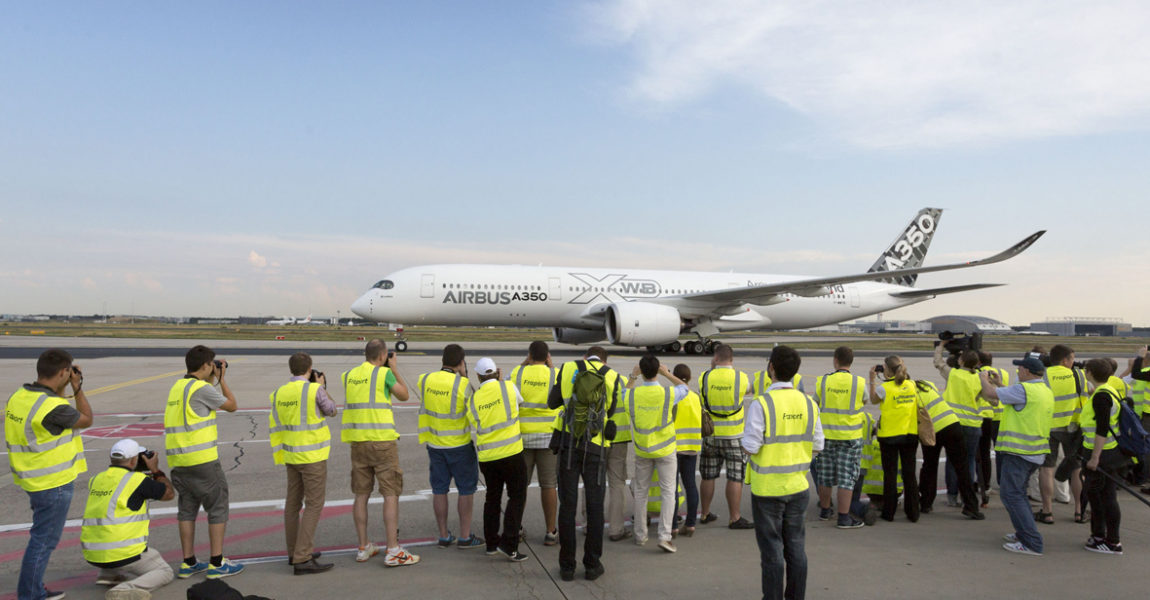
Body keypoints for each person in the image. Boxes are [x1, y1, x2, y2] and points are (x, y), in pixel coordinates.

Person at [6, 348, 92, 600]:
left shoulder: (20, 396)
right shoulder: (52, 407)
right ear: (64, 372)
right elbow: (86, 419)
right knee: (43, 541)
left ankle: (33, 587)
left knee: (40, 537)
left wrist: (64, 385)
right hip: (53, 482)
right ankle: (30, 594)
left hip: (32, 477)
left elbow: (55, 415)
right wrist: (77, 388)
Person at [743, 345, 821, 600]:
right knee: (796, 549)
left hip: (767, 489)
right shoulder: (808, 403)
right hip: (798, 486)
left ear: (771, 368)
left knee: (772, 551)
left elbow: (751, 446)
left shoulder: (762, 404)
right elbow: (818, 444)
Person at [164, 345, 243, 579]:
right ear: (207, 365)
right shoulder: (202, 389)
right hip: (202, 460)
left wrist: (212, 378)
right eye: (212, 364)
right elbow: (232, 405)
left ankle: (188, 562)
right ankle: (217, 563)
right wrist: (222, 379)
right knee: (217, 507)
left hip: (179, 460)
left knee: (187, 509)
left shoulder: (178, 387)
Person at [547, 346, 624, 581]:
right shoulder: (612, 376)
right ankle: (592, 564)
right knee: (595, 506)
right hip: (596, 447)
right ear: (604, 360)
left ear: (585, 357)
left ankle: (567, 566)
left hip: (569, 445)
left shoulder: (568, 368)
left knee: (568, 506)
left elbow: (552, 402)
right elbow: (611, 410)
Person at [341, 339, 419, 566]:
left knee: (361, 494)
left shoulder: (349, 375)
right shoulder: (384, 374)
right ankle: (393, 549)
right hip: (382, 442)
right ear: (383, 355)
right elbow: (404, 395)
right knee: (390, 493)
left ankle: (363, 547)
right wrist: (393, 369)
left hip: (358, 442)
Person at [977, 353, 1053, 556]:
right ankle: (1023, 533)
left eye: (1020, 368)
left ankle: (1032, 542)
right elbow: (1011, 396)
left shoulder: (1024, 389)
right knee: (1017, 494)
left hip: (1020, 452)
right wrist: (999, 383)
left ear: (1027, 371)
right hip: (1034, 452)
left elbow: (990, 394)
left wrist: (983, 379)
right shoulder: (1043, 390)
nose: (1018, 371)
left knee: (1011, 495)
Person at [81, 439, 175, 600]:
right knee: (164, 571)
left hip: (92, 552)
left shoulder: (96, 479)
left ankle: (108, 574)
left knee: (111, 531)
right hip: (123, 554)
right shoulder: (137, 481)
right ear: (133, 460)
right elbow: (169, 494)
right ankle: (125, 589)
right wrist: (155, 470)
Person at [269, 352, 337, 574]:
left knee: (292, 504)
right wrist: (322, 386)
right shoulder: (313, 390)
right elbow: (332, 410)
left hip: (290, 454)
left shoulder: (279, 392)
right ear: (309, 369)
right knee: (314, 505)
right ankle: (303, 557)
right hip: (312, 455)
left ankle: (294, 552)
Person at [417, 344, 482, 549]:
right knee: (465, 490)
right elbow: (476, 408)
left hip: (435, 445)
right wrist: (465, 376)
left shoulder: (425, 379)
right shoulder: (463, 385)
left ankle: (444, 535)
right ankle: (465, 536)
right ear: (461, 362)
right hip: (459, 445)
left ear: (442, 360)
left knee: (439, 490)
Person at [624, 354, 689, 553]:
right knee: (668, 492)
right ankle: (664, 536)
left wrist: (633, 376)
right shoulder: (667, 393)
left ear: (642, 371)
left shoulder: (633, 395)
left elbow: (623, 394)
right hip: (665, 449)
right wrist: (667, 373)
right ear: (657, 371)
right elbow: (685, 388)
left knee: (641, 492)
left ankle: (640, 535)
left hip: (643, 449)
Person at [467, 358, 529, 562]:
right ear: (497, 372)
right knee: (517, 497)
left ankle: (491, 543)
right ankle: (509, 544)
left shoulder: (473, 399)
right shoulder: (508, 387)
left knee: (492, 498)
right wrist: (502, 383)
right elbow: (519, 402)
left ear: (478, 376)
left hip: (488, 457)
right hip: (511, 453)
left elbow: (473, 420)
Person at [508, 341, 560, 546]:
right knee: (549, 485)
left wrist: (524, 364)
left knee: (520, 487)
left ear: (529, 356)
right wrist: (552, 367)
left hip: (523, 437)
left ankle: (516, 528)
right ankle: (550, 532)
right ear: (547, 357)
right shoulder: (555, 375)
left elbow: (507, 389)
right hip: (548, 437)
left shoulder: (518, 373)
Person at [698, 343, 754, 529]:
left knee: (708, 476)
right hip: (734, 435)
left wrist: (712, 369)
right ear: (732, 359)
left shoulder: (705, 377)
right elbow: (748, 390)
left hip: (711, 435)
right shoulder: (740, 377)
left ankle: (705, 513)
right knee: (735, 477)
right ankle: (734, 517)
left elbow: (702, 395)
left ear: (715, 358)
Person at [811, 346, 868, 529]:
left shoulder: (823, 381)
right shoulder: (859, 382)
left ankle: (825, 510)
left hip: (827, 435)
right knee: (846, 478)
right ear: (851, 361)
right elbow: (865, 400)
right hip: (849, 436)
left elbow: (815, 402)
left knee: (825, 475)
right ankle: (843, 517)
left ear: (835, 360)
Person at [915, 378, 984, 519]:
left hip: (932, 431)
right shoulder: (926, 383)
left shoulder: (906, 393)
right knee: (962, 467)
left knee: (929, 466)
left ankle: (926, 503)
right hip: (951, 424)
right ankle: (971, 506)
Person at [1080, 358, 1128, 555]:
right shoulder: (1106, 391)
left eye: (1086, 370)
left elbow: (1102, 429)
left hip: (1103, 454)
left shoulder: (1101, 397)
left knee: (1105, 497)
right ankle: (1099, 535)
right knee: (1097, 495)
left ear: (1090, 373)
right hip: (1107, 452)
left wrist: (1095, 457)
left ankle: (1112, 541)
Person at [1036, 344, 1087, 524]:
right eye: (1072, 359)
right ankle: (1079, 511)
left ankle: (1047, 511)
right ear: (1065, 360)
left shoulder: (1044, 375)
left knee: (1047, 469)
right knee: (1076, 468)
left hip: (1049, 427)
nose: (1074, 362)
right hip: (1073, 427)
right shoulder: (1079, 375)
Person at [869, 355, 919, 523]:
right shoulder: (911, 385)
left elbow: (873, 400)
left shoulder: (885, 388)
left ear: (888, 371)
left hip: (889, 437)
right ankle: (913, 512)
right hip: (910, 434)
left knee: (890, 475)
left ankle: (888, 512)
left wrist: (872, 380)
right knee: (909, 475)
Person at [933, 345, 982, 508]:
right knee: (969, 461)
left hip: (953, 424)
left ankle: (952, 496)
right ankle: (966, 495)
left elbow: (938, 362)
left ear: (961, 361)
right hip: (973, 424)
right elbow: (991, 398)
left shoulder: (953, 374)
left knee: (952, 461)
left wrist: (941, 346)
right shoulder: (980, 378)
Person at [672, 363, 702, 537]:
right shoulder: (695, 396)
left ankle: (673, 525)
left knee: (672, 487)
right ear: (689, 378)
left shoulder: (674, 395)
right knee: (690, 484)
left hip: (675, 446)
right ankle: (690, 523)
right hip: (692, 445)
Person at [976, 352, 1010, 507]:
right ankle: (1002, 482)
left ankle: (983, 483)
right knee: (1000, 452)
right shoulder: (1002, 373)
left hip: (987, 416)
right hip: (1002, 417)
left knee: (983, 454)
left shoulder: (978, 374)